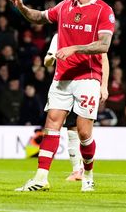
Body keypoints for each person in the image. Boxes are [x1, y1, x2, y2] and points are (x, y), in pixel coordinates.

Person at [9, 0, 114, 192]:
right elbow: (39, 17)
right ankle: (41, 177)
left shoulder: (103, 11)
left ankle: (88, 173)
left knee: (84, 132)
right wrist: (21, 7)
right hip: (62, 77)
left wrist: (74, 49)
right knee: (52, 123)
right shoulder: (65, 6)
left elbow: (104, 45)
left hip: (88, 77)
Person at [44, 34, 110, 181]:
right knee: (71, 127)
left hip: (87, 83)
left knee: (84, 132)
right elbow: (47, 61)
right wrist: (52, 58)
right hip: (65, 84)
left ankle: (85, 171)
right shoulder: (58, 36)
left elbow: (104, 59)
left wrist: (103, 85)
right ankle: (76, 170)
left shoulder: (92, 33)